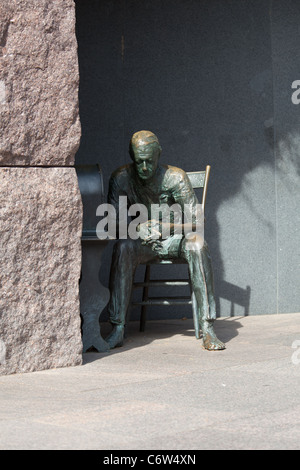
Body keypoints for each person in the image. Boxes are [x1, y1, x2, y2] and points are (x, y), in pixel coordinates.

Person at [105, 130, 225, 350]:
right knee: (122, 247)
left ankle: (208, 328)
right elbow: (112, 224)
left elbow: (198, 221)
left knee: (198, 244)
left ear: (158, 155)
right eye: (139, 161)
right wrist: (136, 228)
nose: (144, 168)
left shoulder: (175, 177)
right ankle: (118, 328)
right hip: (141, 242)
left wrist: (166, 228)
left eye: (149, 161)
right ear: (131, 156)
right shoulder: (121, 178)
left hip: (175, 240)